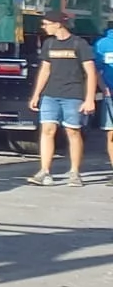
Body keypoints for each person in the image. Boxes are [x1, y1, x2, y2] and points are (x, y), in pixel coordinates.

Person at [28, 10, 96, 186]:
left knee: (73, 132)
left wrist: (89, 99)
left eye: (46, 24)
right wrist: (36, 95)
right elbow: (45, 70)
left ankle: (74, 173)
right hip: (50, 95)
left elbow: (90, 72)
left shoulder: (79, 44)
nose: (43, 27)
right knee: (47, 131)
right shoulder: (48, 44)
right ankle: (44, 172)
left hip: (73, 95)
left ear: (58, 24)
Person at [95, 20, 113, 173]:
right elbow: (95, 69)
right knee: (111, 134)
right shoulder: (102, 44)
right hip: (110, 94)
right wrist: (104, 88)